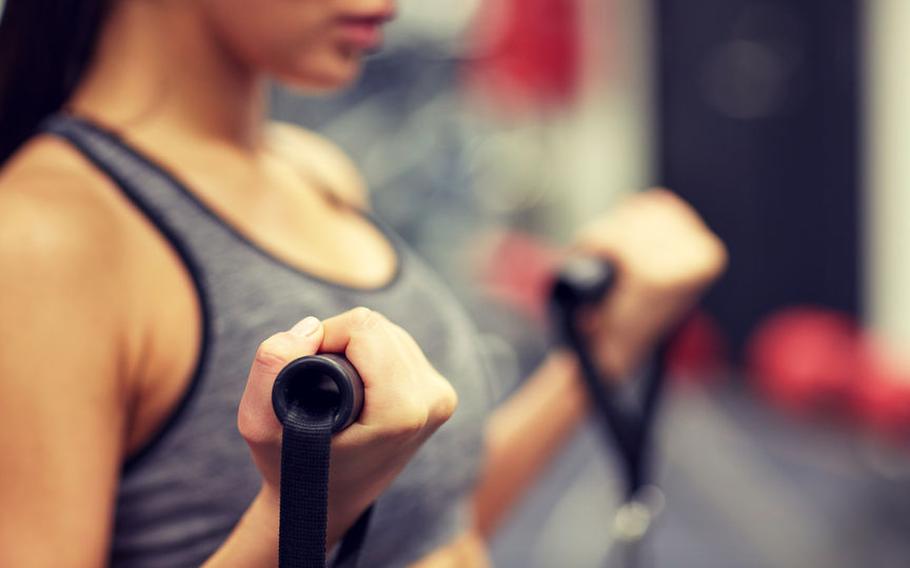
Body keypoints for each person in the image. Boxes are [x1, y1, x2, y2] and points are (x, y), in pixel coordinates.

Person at [0, 1, 727, 566]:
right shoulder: (44, 237)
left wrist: (601, 353)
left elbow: (433, 524)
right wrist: (298, 515)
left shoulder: (314, 170)